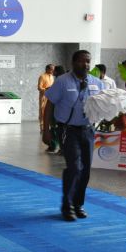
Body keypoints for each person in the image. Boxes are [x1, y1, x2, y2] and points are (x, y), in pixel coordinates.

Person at [43, 50, 103, 222]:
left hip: (88, 130)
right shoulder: (62, 81)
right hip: (68, 130)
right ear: (73, 62)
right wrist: (46, 130)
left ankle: (78, 205)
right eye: (81, 61)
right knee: (75, 167)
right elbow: (49, 105)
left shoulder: (96, 83)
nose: (85, 64)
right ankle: (67, 206)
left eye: (88, 61)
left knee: (86, 170)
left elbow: (104, 104)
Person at [38, 64, 55, 132]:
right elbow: (39, 87)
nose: (53, 71)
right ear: (47, 69)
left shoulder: (52, 77)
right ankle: (42, 127)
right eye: (52, 69)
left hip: (51, 97)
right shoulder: (42, 76)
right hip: (44, 97)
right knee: (43, 111)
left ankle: (49, 126)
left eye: (53, 69)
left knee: (50, 111)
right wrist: (46, 89)